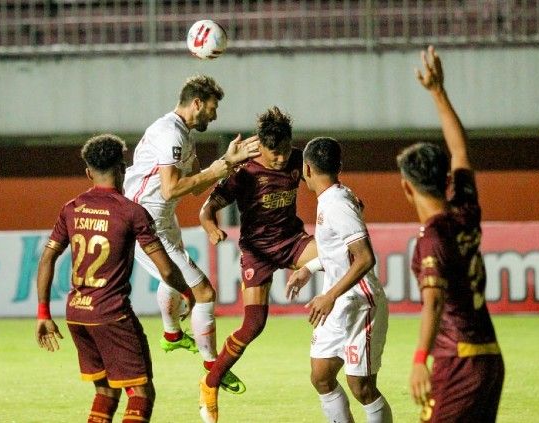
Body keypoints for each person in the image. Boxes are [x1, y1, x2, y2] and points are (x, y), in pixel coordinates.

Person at [35, 134, 195, 423]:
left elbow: (47, 258)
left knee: (106, 392)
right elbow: (167, 269)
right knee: (142, 393)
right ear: (123, 169)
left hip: (77, 314)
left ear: (88, 172)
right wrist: (188, 293)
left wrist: (43, 313)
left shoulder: (71, 209)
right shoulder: (132, 212)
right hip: (112, 315)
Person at [123, 75, 260, 395]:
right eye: (212, 108)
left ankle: (172, 336)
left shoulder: (182, 134)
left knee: (170, 280)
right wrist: (221, 165)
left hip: (161, 217)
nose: (215, 116)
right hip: (145, 220)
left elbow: (197, 186)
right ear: (196, 103)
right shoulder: (170, 133)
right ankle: (213, 365)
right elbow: (172, 187)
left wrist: (228, 164)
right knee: (204, 294)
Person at [398, 46, 504, 422]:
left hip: (457, 361)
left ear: (407, 189)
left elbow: (434, 303)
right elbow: (459, 150)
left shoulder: (432, 238)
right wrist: (438, 91)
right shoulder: (465, 208)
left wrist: (418, 360)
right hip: (489, 358)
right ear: (444, 180)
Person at [197, 106, 319, 422]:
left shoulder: (297, 159)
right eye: (273, 152)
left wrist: (344, 200)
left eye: (284, 149)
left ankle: (340, 345)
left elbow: (324, 183)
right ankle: (210, 383)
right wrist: (211, 227)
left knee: (340, 255)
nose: (280, 158)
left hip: (293, 242)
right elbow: (207, 209)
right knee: (254, 324)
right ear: (260, 146)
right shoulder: (245, 173)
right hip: (258, 252)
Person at [284, 137, 393, 423]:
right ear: (339, 166)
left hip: (360, 304)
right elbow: (338, 252)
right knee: (321, 376)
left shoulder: (337, 204)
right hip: (338, 304)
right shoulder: (333, 198)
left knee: (362, 387)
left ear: (307, 169)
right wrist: (310, 268)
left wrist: (329, 295)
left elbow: (365, 258)